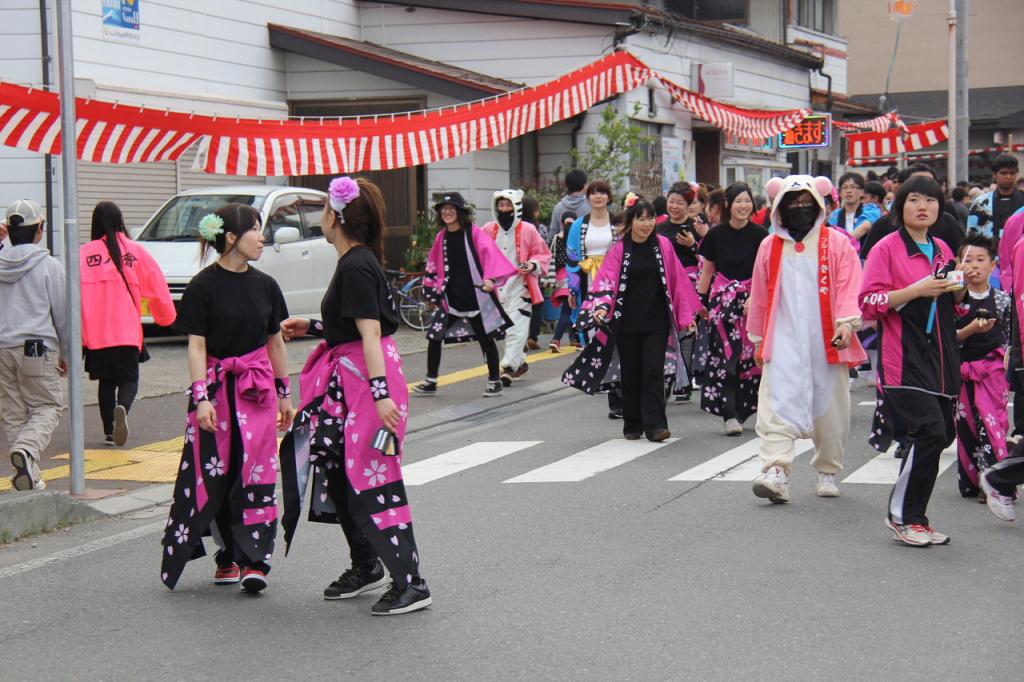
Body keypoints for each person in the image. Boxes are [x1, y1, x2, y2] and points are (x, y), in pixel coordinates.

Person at [278, 176, 431, 616]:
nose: (322, 217)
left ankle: (412, 582)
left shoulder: (357, 265)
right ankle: (366, 564)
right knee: (341, 475)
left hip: (366, 384)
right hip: (351, 381)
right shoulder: (355, 263)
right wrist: (315, 327)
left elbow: (370, 333)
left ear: (336, 217)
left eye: (325, 209)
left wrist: (381, 396)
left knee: (372, 479)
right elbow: (354, 328)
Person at [161, 203, 294, 592]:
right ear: (232, 237)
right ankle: (227, 555)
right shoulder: (203, 286)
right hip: (216, 391)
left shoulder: (267, 285)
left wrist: (285, 393)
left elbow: (276, 343)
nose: (263, 238)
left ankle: (256, 560)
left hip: (257, 390)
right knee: (215, 472)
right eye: (255, 230)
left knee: (256, 471)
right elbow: (196, 348)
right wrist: (201, 397)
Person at [860, 175, 965, 547]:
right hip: (902, 357)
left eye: (931, 200)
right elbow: (868, 302)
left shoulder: (942, 248)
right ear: (900, 206)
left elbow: (957, 305)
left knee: (941, 436)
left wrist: (959, 289)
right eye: (915, 199)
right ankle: (902, 516)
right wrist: (916, 290)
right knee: (929, 431)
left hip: (942, 358)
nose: (924, 206)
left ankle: (916, 518)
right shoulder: (887, 248)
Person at [747, 176, 866, 503]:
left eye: (805, 203)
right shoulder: (769, 246)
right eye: (792, 204)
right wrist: (757, 339)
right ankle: (776, 470)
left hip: (825, 338)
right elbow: (758, 294)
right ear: (779, 209)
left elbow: (849, 285)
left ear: (818, 205)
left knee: (830, 406)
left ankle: (828, 469)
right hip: (783, 338)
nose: (799, 209)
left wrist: (846, 324)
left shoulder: (836, 243)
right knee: (776, 403)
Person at [561, 194, 697, 441]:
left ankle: (656, 425)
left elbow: (678, 282)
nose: (647, 224)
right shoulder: (619, 250)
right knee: (632, 372)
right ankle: (633, 423)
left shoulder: (663, 246)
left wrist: (688, 315)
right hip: (626, 322)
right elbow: (606, 281)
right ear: (631, 221)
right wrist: (601, 308)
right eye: (641, 219)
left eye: (651, 219)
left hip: (656, 321)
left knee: (654, 371)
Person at [80, 202, 175, 447]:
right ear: (119, 220)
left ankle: (109, 432)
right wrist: (166, 318)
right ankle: (123, 406)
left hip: (97, 334)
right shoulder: (135, 252)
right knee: (129, 379)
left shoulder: (85, 254)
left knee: (106, 382)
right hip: (128, 331)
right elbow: (157, 287)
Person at [413, 193, 517, 398]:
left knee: (486, 339)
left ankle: (494, 380)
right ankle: (431, 381)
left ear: (460, 212)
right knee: (434, 336)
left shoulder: (474, 233)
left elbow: (492, 257)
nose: (447, 212)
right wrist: (432, 293)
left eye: (452, 209)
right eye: (444, 209)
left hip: (476, 297)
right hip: (451, 298)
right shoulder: (441, 237)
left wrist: (491, 280)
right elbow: (433, 265)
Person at [0, 200, 68, 491]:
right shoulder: (49, 266)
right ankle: (27, 451)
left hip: (3, 346)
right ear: (40, 229)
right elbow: (63, 313)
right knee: (47, 405)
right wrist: (67, 351)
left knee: (13, 411)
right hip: (37, 346)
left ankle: (29, 476)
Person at [695, 183, 769, 436]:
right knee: (727, 357)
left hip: (752, 303)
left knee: (752, 358)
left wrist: (757, 298)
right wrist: (699, 306)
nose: (743, 206)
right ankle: (729, 415)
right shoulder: (716, 235)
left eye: (747, 201)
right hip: (723, 303)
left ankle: (744, 410)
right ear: (728, 204)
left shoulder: (761, 235)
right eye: (738, 201)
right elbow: (707, 272)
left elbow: (767, 274)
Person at [953, 235, 1011, 498]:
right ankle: (972, 479)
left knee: (993, 423)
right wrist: (971, 328)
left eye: (981, 259)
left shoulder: (1002, 300)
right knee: (967, 426)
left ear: (993, 265)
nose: (974, 266)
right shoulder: (954, 301)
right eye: (968, 260)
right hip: (962, 370)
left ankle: (995, 481)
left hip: (993, 372)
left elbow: (1011, 338)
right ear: (958, 264)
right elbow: (948, 338)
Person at [481, 189, 551, 385]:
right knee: (501, 331)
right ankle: (519, 362)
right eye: (501, 205)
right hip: (495, 288)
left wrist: (532, 264)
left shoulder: (528, 229)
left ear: (516, 207)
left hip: (521, 287)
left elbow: (542, 253)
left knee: (517, 328)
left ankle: (508, 367)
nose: (504, 209)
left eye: (508, 205)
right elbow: (478, 251)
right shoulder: (488, 228)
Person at [566, 180, 621, 418]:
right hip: (589, 279)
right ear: (588, 198)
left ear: (609, 197)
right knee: (591, 328)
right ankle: (599, 372)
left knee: (613, 329)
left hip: (614, 281)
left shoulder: (618, 223)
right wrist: (571, 287)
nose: (598, 197)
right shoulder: (579, 225)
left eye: (602, 193)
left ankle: (610, 375)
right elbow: (571, 257)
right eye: (594, 194)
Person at [656, 182, 706, 402]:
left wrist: (694, 244)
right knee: (666, 332)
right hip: (666, 283)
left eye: (680, 202)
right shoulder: (659, 228)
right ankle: (667, 378)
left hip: (690, 284)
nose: (674, 206)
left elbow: (709, 259)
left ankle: (684, 383)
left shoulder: (696, 226)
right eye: (672, 201)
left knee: (687, 332)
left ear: (689, 204)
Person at [860, 164, 964, 259]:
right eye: (914, 199)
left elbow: (961, 258)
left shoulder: (946, 227)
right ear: (900, 188)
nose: (922, 206)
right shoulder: (883, 229)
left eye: (929, 183)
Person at [967, 155, 1024, 241]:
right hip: (990, 252)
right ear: (994, 175)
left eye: (1012, 173)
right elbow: (971, 235)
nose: (1008, 177)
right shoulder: (980, 204)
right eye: (1003, 173)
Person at [547, 211, 577, 352]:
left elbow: (553, 258)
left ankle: (574, 338)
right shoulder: (576, 237)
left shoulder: (556, 238)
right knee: (569, 309)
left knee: (568, 308)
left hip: (560, 276)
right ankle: (556, 339)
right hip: (573, 275)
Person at [830, 172, 882, 243]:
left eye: (853, 187)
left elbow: (865, 227)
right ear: (840, 193)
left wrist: (842, 245)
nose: (848, 191)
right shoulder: (834, 215)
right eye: (844, 187)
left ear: (862, 192)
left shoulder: (871, 210)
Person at [522, 195, 546, 351]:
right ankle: (533, 336)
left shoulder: (517, 228)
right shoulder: (540, 229)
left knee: (521, 306)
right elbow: (545, 249)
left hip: (519, 273)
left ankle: (522, 337)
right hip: (535, 272)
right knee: (537, 305)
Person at [548, 169, 590, 245]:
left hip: (563, 252)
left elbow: (553, 232)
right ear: (584, 185)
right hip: (586, 250)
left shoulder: (558, 207)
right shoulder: (590, 205)